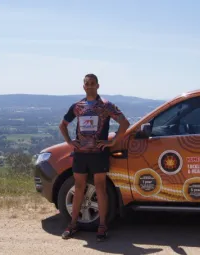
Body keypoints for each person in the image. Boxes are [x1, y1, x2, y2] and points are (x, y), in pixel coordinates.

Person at [58, 73, 130, 241]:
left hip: (99, 154)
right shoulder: (77, 106)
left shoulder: (105, 105)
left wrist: (112, 143)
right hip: (81, 154)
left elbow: (124, 123)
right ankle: (73, 224)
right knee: (78, 188)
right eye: (87, 83)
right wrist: (69, 141)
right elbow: (63, 125)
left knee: (100, 188)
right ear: (83, 86)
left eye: (92, 83)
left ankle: (102, 225)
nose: (90, 86)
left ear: (98, 85)